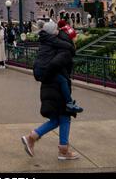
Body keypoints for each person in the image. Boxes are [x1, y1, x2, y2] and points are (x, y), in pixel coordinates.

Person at [21, 20, 80, 160]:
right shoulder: (64, 49)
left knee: (57, 118)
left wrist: (46, 76)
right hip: (57, 88)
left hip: (50, 86)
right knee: (65, 117)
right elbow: (55, 64)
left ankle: (33, 137)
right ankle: (62, 151)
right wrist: (49, 76)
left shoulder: (50, 44)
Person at [34, 20, 83, 113]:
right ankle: (69, 103)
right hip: (44, 70)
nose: (58, 30)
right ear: (52, 32)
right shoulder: (52, 39)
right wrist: (72, 48)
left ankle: (69, 102)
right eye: (56, 29)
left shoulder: (45, 39)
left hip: (40, 69)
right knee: (63, 80)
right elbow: (65, 45)